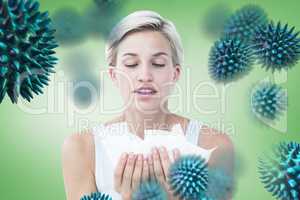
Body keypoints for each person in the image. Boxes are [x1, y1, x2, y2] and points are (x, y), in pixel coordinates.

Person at [62, 10, 234, 200]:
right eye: (131, 63)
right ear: (113, 75)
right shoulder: (82, 148)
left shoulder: (214, 145)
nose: (144, 75)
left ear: (175, 74)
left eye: (158, 63)